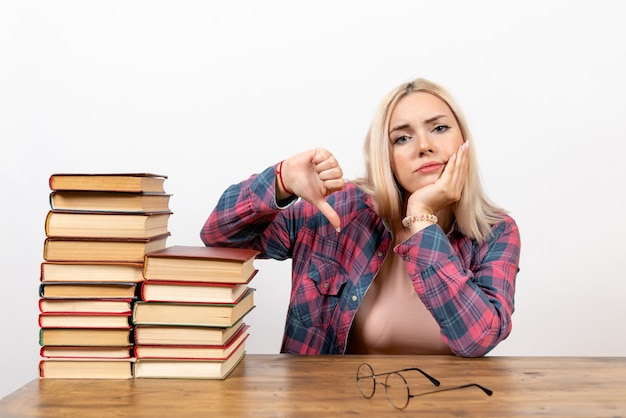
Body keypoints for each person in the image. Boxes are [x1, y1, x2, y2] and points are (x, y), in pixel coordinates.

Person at [200, 78, 521, 357]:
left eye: (439, 128)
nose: (424, 146)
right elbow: (220, 238)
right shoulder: (338, 209)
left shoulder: (495, 232)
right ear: (387, 156)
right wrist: (280, 180)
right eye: (402, 138)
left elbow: (478, 338)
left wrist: (422, 218)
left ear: (463, 140)